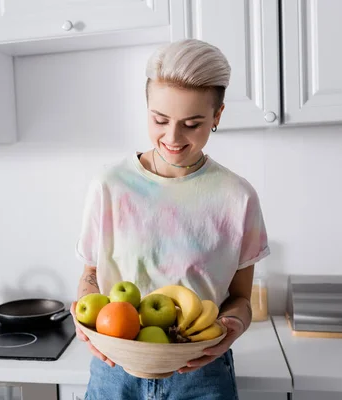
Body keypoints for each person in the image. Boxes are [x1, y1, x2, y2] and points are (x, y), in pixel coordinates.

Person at [70, 39, 270, 400]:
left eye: (192, 124)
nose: (172, 138)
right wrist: (85, 321)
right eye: (159, 120)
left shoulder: (237, 197)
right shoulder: (109, 185)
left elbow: (241, 297)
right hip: (115, 372)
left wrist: (231, 327)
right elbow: (89, 274)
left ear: (218, 116)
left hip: (201, 374)